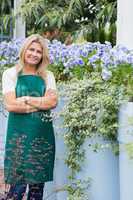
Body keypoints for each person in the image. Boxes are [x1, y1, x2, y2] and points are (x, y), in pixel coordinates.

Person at [2, 34, 58, 200]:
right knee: (16, 189)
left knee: (36, 190)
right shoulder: (10, 73)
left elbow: (52, 102)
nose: (34, 54)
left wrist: (27, 99)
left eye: (38, 51)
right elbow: (11, 105)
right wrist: (41, 103)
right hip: (18, 137)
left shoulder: (48, 76)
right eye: (31, 49)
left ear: (43, 55)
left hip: (42, 137)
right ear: (24, 50)